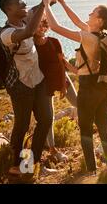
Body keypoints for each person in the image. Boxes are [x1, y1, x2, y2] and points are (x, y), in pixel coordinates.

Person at [43, 0, 107, 176]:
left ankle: (92, 171)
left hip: (88, 91)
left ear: (99, 20)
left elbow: (55, 27)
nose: (89, 13)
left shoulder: (87, 37)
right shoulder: (99, 36)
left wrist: (46, 4)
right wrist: (61, 2)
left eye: (93, 12)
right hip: (103, 89)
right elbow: (76, 21)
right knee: (103, 128)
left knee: (85, 130)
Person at [0, 0, 52, 176]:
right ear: (9, 9)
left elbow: (40, 7)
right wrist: (44, 5)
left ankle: (29, 163)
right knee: (22, 125)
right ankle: (15, 165)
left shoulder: (26, 18)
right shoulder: (6, 34)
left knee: (46, 119)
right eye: (21, 3)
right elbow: (29, 32)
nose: (25, 5)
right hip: (21, 85)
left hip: (39, 80)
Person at [33, 17, 78, 163]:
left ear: (46, 26)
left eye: (43, 25)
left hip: (61, 77)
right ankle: (52, 149)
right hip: (44, 84)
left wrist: (64, 85)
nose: (40, 28)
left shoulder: (53, 41)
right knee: (49, 117)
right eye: (37, 25)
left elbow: (61, 62)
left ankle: (97, 131)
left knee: (78, 103)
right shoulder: (30, 45)